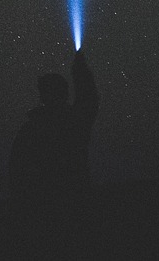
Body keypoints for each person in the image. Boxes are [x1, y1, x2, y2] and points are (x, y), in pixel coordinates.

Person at [8, 49, 99, 206]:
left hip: (41, 203)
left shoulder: (31, 129)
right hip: (75, 199)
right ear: (65, 93)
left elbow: (16, 168)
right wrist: (80, 69)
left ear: (42, 95)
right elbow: (88, 98)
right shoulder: (74, 121)